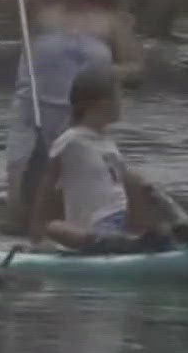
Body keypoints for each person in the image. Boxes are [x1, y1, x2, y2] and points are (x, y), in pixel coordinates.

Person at [0, 0, 143, 229]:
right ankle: (19, 244)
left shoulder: (110, 19)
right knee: (23, 199)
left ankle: (71, 244)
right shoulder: (36, 3)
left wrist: (109, 73)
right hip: (32, 115)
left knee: (70, 198)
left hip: (82, 122)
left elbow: (136, 66)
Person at [29, 67, 171, 252]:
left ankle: (150, 239)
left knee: (135, 181)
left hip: (126, 221)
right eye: (120, 96)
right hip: (97, 226)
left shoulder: (107, 143)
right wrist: (37, 231)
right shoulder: (70, 140)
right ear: (102, 103)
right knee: (54, 228)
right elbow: (48, 184)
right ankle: (108, 243)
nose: (123, 103)